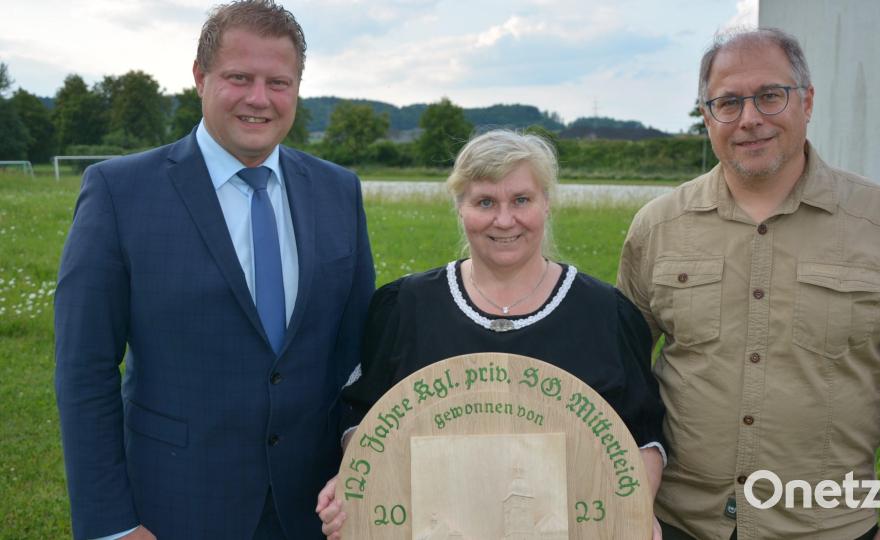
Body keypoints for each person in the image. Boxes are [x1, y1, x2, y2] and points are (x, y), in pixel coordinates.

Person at [617, 28, 880, 540]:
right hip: (680, 522)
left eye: (769, 96)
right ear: (707, 116)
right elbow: (622, 373)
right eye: (728, 102)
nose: (750, 118)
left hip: (829, 525)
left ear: (808, 101)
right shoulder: (657, 227)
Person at [54, 1, 374, 538]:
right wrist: (111, 524)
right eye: (239, 78)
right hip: (174, 506)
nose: (259, 98)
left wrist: (355, 462)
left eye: (279, 81)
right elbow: (84, 371)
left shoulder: (338, 190)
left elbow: (354, 353)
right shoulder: (120, 192)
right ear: (200, 78)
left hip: (314, 508)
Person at [315, 130, 667, 539]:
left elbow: (642, 440)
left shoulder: (605, 313)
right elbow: (364, 421)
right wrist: (354, 483)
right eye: (485, 202)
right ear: (460, 208)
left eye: (521, 200)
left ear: (546, 204)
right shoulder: (405, 307)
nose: (504, 220)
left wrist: (634, 515)